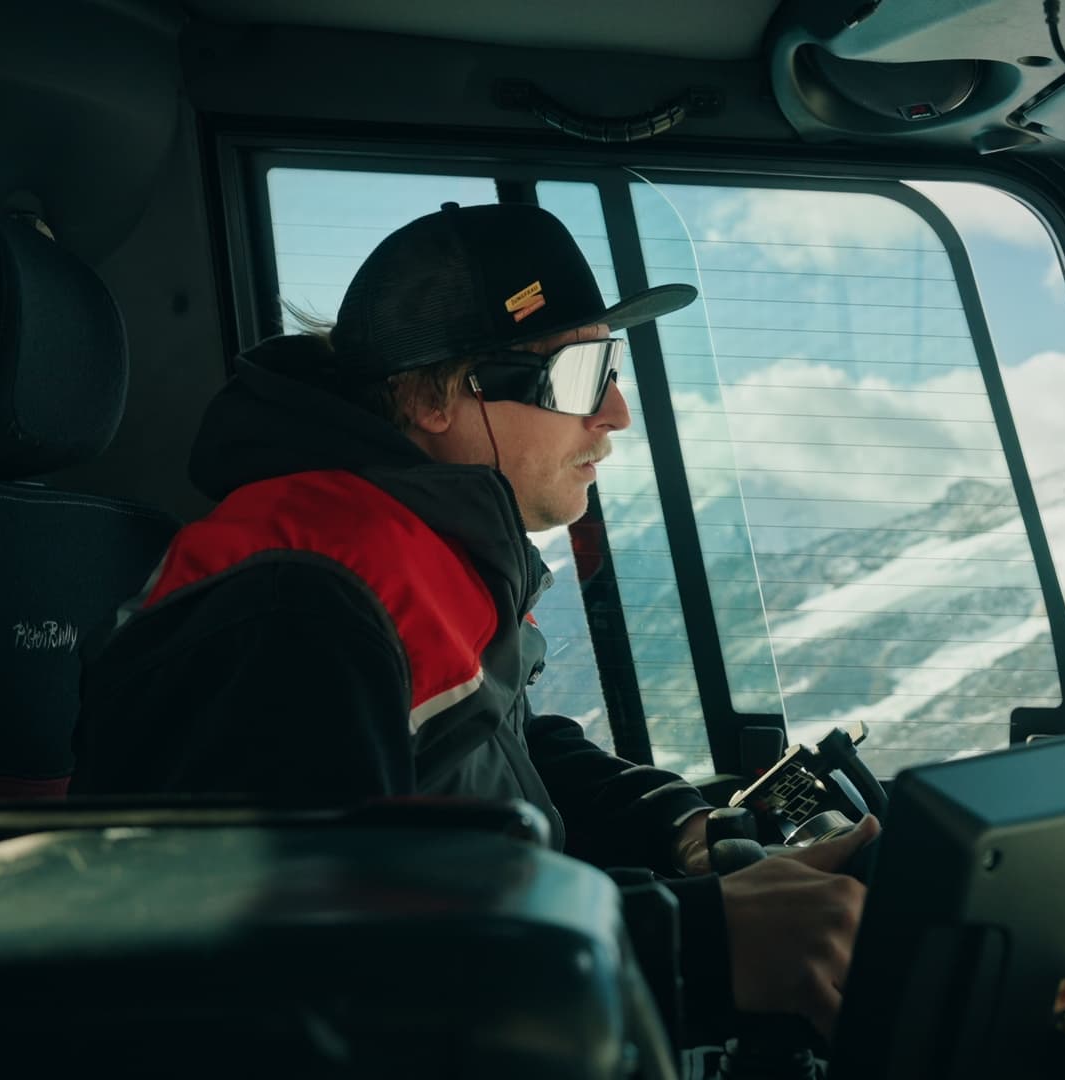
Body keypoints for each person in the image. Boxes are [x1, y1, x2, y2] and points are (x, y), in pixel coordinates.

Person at [70, 201, 873, 1040]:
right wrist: (701, 945)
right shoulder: (291, 607)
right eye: (581, 374)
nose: (616, 413)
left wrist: (681, 828)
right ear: (436, 397)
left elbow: (497, 752)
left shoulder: (417, 552)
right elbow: (307, 975)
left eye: (614, 366)